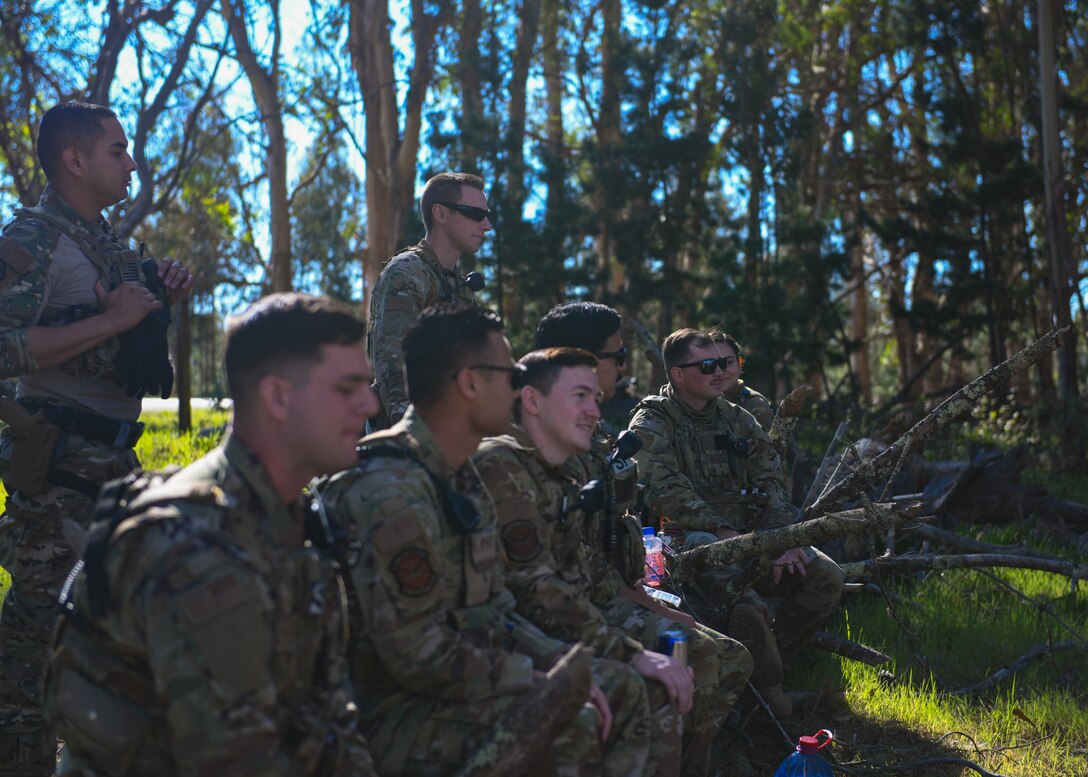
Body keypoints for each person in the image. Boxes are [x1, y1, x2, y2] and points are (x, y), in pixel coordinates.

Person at [43, 293, 379, 776]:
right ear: (277, 396)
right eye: (348, 388)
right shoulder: (198, 547)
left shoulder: (287, 516)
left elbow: (326, 710)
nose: (369, 403)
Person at [322, 306, 651, 776]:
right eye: (511, 373)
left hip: (454, 687)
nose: (521, 386)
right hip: (391, 716)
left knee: (615, 686)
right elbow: (418, 656)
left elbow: (497, 609)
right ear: (470, 384)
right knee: (572, 720)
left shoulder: (460, 475)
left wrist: (558, 659)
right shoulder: (394, 490)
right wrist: (533, 678)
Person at [0, 101, 194, 775]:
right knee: (28, 664)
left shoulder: (106, 240)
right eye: (117, 149)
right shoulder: (34, 238)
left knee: (113, 647)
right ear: (74, 160)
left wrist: (157, 289)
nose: (131, 160)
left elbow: (123, 327)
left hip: (116, 466)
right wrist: (111, 322)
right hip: (56, 474)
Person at [534, 304, 752, 774]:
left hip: (616, 589)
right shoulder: (541, 447)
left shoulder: (593, 437)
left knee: (731, 655)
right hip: (585, 607)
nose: (624, 366)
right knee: (698, 651)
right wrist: (645, 605)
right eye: (620, 354)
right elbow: (562, 570)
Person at [473, 347, 690, 776]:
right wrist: (628, 652)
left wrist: (650, 608)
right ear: (532, 401)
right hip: (507, 642)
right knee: (638, 680)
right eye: (580, 397)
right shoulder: (501, 463)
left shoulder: (565, 470)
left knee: (677, 650)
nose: (594, 410)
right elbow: (535, 588)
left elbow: (581, 571)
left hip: (548, 629)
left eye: (595, 397)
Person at [628, 328, 844, 718]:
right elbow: (663, 489)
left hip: (751, 537)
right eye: (707, 365)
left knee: (826, 575)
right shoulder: (652, 421)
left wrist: (781, 539)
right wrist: (725, 532)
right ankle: (769, 695)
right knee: (739, 594)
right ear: (678, 374)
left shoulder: (735, 418)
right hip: (686, 540)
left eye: (725, 363)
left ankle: (764, 671)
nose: (720, 372)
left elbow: (772, 480)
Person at [367, 171, 491, 427]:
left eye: (487, 215)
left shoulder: (460, 285)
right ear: (441, 214)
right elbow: (392, 361)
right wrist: (411, 432)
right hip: (408, 439)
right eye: (476, 214)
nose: (487, 225)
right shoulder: (406, 273)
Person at [707, 330, 775, 431]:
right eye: (712, 364)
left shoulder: (755, 406)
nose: (721, 371)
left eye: (729, 362)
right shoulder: (697, 403)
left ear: (740, 362)